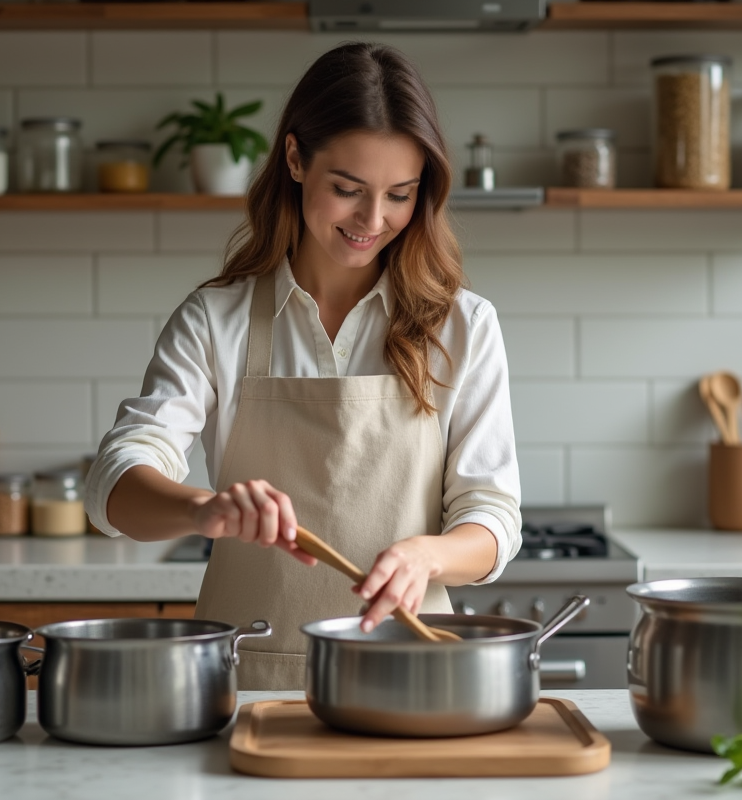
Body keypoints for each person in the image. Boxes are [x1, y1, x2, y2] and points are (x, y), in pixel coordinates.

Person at [85, 42, 521, 691]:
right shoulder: (215, 321)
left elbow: (493, 518)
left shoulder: (461, 326)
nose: (373, 220)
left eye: (400, 195)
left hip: (412, 678)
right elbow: (115, 487)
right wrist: (204, 509)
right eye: (347, 190)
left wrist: (428, 554)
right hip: (244, 683)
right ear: (294, 159)